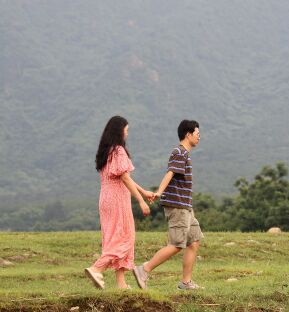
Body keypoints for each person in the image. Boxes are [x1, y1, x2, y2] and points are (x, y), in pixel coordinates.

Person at [84, 116, 154, 289]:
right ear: (119, 130)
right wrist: (140, 201)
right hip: (117, 199)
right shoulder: (118, 151)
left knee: (113, 236)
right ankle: (97, 268)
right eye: (126, 130)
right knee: (124, 237)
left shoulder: (106, 151)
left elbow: (124, 176)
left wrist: (144, 192)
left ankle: (121, 283)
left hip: (106, 198)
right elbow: (124, 176)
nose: (127, 134)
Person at [133, 120, 203, 290]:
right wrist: (159, 191)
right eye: (197, 134)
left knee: (194, 241)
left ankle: (186, 283)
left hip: (186, 206)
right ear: (188, 134)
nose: (199, 137)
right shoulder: (179, 152)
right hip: (178, 206)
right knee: (177, 244)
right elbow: (170, 173)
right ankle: (144, 270)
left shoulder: (185, 153)